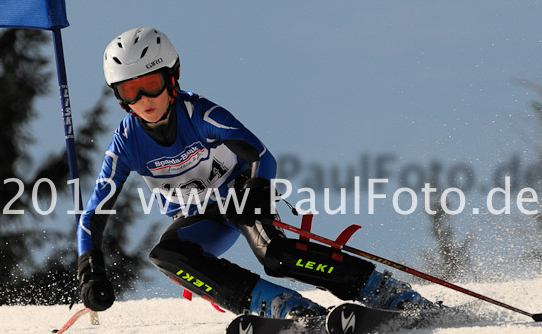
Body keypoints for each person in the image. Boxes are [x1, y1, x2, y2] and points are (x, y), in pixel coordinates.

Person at [76, 27, 434, 318]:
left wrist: (257, 192)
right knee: (166, 255)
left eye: (150, 84)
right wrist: (90, 270)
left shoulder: (200, 114)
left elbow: (260, 154)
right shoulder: (125, 143)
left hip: (240, 201)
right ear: (120, 98)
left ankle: (382, 289)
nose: (144, 100)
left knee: (276, 257)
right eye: (130, 91)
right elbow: (94, 214)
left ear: (173, 77)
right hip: (201, 219)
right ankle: (278, 305)